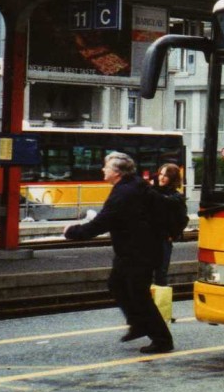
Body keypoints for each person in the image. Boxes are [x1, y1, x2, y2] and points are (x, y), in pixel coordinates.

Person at [63, 151, 174, 354]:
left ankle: (162, 339)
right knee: (117, 284)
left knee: (139, 294)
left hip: (138, 252)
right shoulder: (135, 185)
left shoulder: (124, 193)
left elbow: (101, 222)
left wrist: (72, 232)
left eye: (106, 167)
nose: (102, 170)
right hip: (137, 249)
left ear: (117, 172)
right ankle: (139, 324)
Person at [152, 163, 188, 287]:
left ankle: (159, 304)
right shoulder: (152, 191)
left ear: (172, 178)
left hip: (163, 240)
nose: (161, 178)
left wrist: (173, 235)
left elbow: (183, 219)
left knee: (160, 274)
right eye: (160, 174)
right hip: (148, 239)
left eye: (166, 175)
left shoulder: (176, 197)